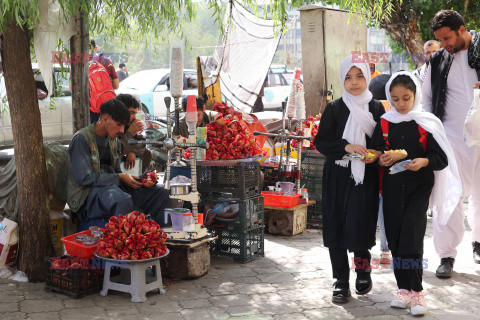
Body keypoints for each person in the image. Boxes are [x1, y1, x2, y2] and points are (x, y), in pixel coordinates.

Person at [372, 72, 460, 316]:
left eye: (406, 98)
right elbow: (377, 151)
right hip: (391, 188)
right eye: (395, 99)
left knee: (412, 234)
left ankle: (418, 291)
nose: (401, 104)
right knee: (396, 238)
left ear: (416, 96)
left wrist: (423, 161)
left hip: (419, 188)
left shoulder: (426, 122)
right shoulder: (384, 122)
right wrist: (382, 157)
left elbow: (441, 158)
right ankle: (403, 289)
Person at [314, 55, 384, 303]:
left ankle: (363, 272)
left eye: (360, 76)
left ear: (367, 76)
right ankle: (340, 280)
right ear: (342, 79)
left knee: (360, 224)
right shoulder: (334, 108)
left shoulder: (376, 108)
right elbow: (321, 142)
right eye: (348, 77)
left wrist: (374, 153)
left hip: (365, 177)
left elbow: (382, 142)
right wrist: (347, 147)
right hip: (338, 175)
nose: (354, 82)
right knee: (336, 226)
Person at [422, 10, 480, 278]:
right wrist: (431, 132)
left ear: (462, 29)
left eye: (447, 37)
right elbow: (426, 99)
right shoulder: (436, 61)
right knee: (448, 195)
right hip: (451, 139)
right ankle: (446, 255)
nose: (444, 43)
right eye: (440, 39)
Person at [67, 99, 170, 225]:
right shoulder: (81, 139)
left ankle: (156, 237)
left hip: (112, 187)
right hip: (87, 195)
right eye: (119, 124)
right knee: (121, 199)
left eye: (124, 126)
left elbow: (117, 174)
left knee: (160, 193)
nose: (122, 130)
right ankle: (123, 242)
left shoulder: (114, 141)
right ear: (105, 119)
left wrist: (140, 180)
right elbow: (84, 178)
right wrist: (119, 177)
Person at [368, 74, 392, 264]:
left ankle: (385, 249)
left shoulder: (376, 111)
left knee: (382, 212)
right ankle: (385, 249)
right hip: (380, 173)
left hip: (383, 174)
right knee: (383, 212)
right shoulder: (382, 118)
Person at [115, 94, 152, 174]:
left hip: (124, 157)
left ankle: (137, 179)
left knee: (147, 153)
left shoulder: (129, 124)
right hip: (111, 164)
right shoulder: (113, 124)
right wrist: (129, 133)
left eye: (135, 113)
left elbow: (141, 143)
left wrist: (133, 152)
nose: (134, 117)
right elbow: (116, 148)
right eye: (132, 113)